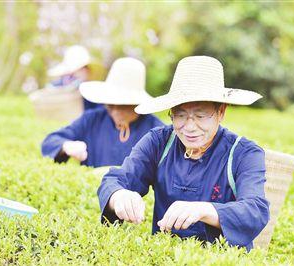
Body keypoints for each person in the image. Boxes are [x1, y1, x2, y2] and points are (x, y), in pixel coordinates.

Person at [97, 56, 270, 251]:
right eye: (180, 115)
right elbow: (115, 179)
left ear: (221, 111)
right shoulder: (159, 141)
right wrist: (119, 196)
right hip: (164, 257)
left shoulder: (244, 153)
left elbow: (255, 211)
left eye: (200, 115)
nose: (189, 127)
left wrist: (205, 210)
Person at [41, 57, 164, 167]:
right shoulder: (92, 120)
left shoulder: (156, 131)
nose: (115, 110)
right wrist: (66, 146)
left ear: (137, 104)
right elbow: (50, 141)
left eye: (123, 105)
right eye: (111, 104)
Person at [47, 45, 102, 111]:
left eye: (86, 67)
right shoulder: (64, 82)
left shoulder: (92, 89)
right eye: (82, 68)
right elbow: (50, 89)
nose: (86, 71)